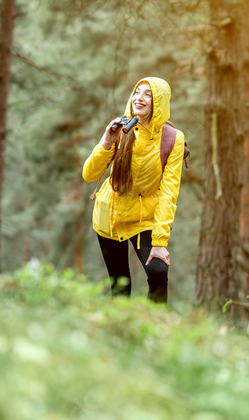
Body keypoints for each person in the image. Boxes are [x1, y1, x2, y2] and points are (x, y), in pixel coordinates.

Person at [82, 76, 184, 304]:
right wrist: (106, 142)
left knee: (158, 273)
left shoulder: (173, 139)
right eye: (137, 92)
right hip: (110, 215)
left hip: (144, 217)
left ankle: (155, 329)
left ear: (160, 101)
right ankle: (120, 333)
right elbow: (89, 175)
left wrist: (159, 242)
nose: (140, 97)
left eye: (148, 94)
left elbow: (169, 192)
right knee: (120, 285)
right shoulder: (121, 128)